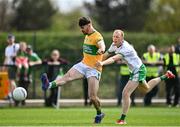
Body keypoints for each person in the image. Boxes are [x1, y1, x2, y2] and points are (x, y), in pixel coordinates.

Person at [96, 29, 175, 125]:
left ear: (122, 38)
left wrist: (102, 63)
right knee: (146, 89)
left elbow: (113, 58)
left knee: (125, 93)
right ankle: (166, 76)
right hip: (136, 70)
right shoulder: (114, 44)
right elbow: (106, 55)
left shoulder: (125, 48)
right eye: (113, 36)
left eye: (117, 37)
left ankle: (122, 119)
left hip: (139, 70)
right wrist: (95, 60)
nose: (115, 38)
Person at [41, 17, 106, 123]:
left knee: (93, 97)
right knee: (67, 77)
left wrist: (101, 49)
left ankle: (99, 113)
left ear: (89, 25)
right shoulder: (86, 35)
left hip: (94, 69)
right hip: (83, 64)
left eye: (83, 27)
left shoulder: (97, 36)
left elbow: (102, 44)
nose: (81, 30)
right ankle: (48, 85)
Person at [3, 34, 19, 103]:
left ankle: (13, 94)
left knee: (11, 81)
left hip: (14, 65)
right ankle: (11, 94)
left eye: (11, 38)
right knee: (10, 81)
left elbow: (21, 53)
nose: (10, 40)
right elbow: (7, 57)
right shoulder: (7, 48)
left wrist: (15, 55)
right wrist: (4, 66)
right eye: (9, 38)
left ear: (14, 39)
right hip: (9, 65)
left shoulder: (16, 46)